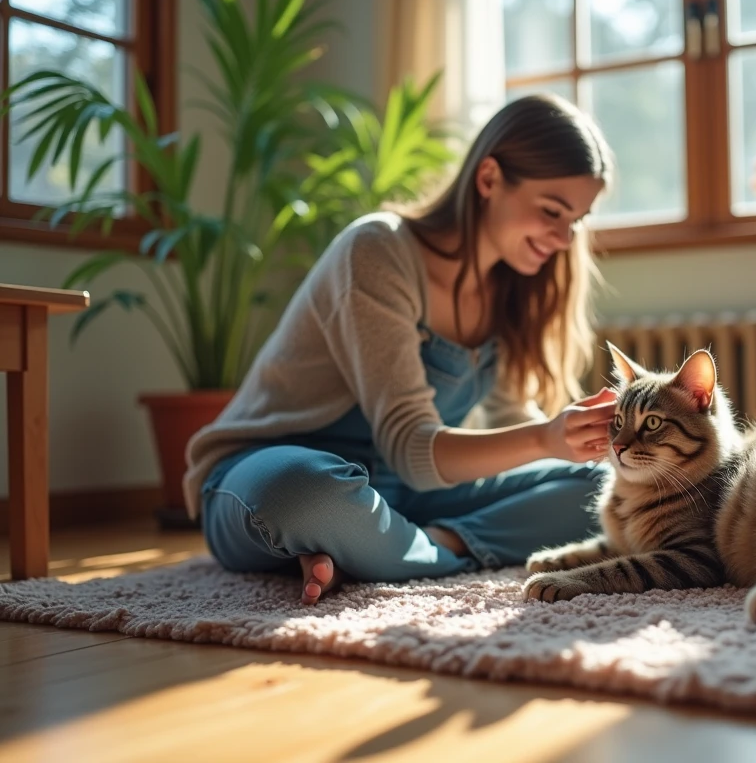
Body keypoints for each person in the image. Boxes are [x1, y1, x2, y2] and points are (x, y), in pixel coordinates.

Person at [183, 94, 618, 605]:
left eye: (577, 220)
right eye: (552, 211)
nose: (564, 239)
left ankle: (400, 548)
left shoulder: (515, 286)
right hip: (267, 474)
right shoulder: (378, 249)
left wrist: (572, 442)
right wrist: (545, 438)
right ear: (489, 179)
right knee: (305, 493)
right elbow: (412, 448)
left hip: (407, 496)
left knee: (605, 485)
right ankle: (410, 548)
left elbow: (507, 423)